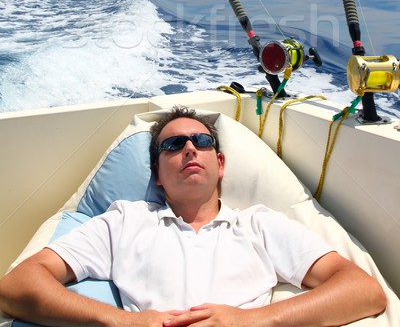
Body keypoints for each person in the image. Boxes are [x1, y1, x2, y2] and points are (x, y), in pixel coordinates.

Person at [0, 106, 386, 326]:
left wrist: (253, 321)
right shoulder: (124, 221)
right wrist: (121, 321)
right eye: (173, 144)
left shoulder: (260, 225)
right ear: (157, 175)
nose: (189, 148)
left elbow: (363, 291)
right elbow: (17, 286)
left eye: (201, 142)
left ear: (219, 164)